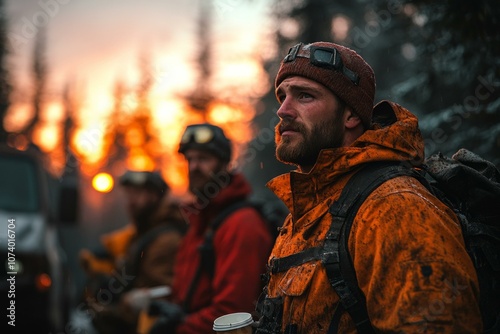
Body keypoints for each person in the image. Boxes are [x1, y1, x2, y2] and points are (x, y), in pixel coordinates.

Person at [256, 42, 482, 333]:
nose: (283, 111)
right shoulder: (306, 213)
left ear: (351, 115)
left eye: (305, 96)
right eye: (282, 96)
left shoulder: (395, 209)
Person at [146, 123, 274, 334]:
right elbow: (190, 293)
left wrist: (178, 328)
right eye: (190, 159)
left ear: (224, 165)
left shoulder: (242, 224)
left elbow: (234, 315)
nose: (194, 167)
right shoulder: (201, 221)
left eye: (204, 159)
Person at [79, 170, 186, 334]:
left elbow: (162, 295)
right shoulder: (143, 231)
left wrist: (113, 311)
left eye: (137, 194)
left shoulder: (166, 239)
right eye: (129, 195)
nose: (131, 201)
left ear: (154, 196)